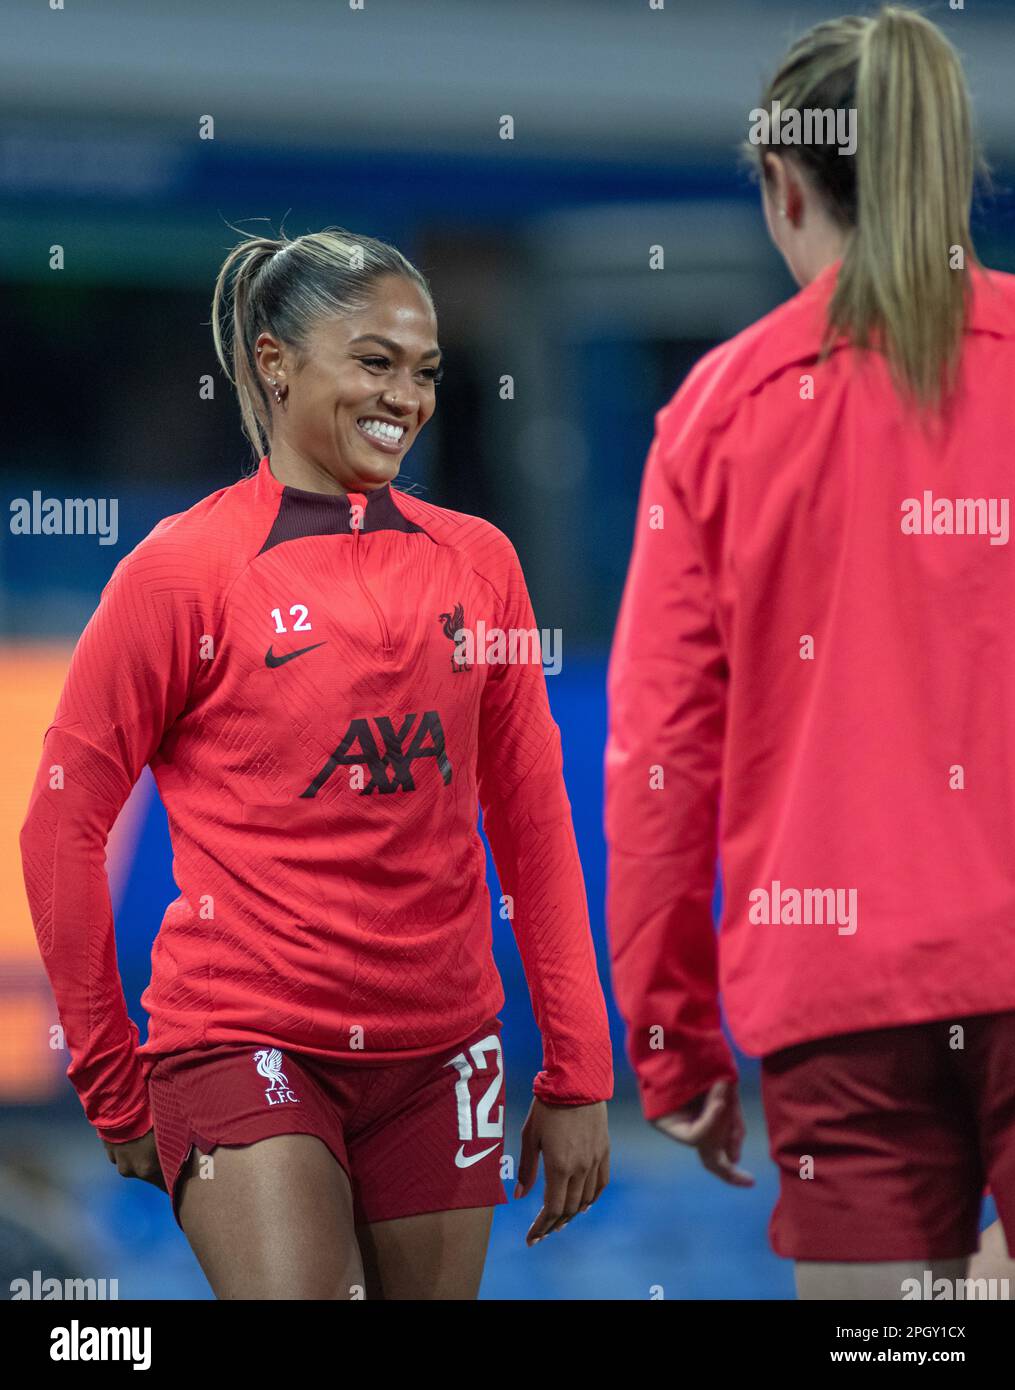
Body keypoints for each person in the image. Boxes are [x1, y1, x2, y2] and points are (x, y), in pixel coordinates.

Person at [20, 226, 612, 1300]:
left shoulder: (483, 566)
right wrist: (112, 1080)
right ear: (273, 360)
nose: (407, 396)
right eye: (375, 362)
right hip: (244, 1037)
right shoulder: (181, 572)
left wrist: (578, 1071)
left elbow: (533, 826)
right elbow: (59, 822)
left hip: (443, 1056)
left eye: (426, 370)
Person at [605, 6, 1015, 1300]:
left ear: (783, 188)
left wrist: (670, 1048)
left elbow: (655, 769)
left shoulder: (713, 418)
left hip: (839, 1000)